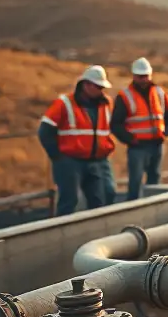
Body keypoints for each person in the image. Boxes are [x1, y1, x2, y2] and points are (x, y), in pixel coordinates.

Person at [38, 66, 119, 215]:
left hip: (97, 160)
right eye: (98, 86)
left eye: (102, 87)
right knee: (69, 201)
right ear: (86, 84)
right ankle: (62, 235)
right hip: (70, 161)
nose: (101, 90)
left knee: (101, 199)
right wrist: (58, 157)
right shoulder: (64, 103)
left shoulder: (106, 103)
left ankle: (96, 233)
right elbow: (44, 131)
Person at [113, 56, 168, 201]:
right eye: (140, 76)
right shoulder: (125, 96)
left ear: (150, 75)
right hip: (137, 148)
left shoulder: (160, 93)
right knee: (135, 182)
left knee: (155, 181)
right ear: (134, 76)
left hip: (157, 144)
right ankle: (133, 209)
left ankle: (153, 208)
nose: (143, 79)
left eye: (145, 76)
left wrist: (166, 131)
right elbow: (116, 124)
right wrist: (130, 140)